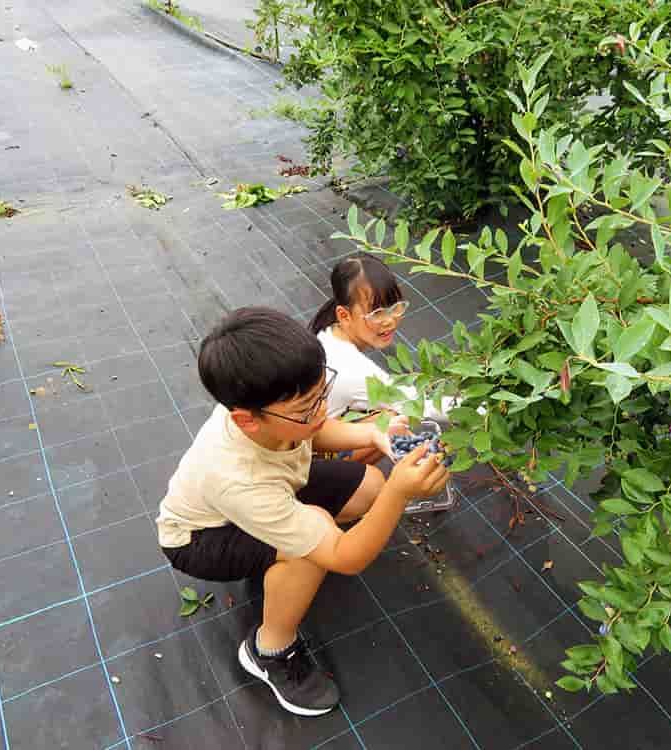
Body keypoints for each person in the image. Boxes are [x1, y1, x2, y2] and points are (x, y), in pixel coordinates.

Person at [156, 308, 449, 717]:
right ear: (247, 421)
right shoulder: (236, 477)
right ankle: (269, 651)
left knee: (368, 487)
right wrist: (400, 493)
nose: (320, 411)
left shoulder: (267, 407)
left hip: (273, 493)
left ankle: (285, 560)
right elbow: (346, 559)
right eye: (306, 408)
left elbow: (316, 428)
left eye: (320, 396)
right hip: (202, 538)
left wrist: (372, 433)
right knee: (313, 547)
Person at [309, 254, 457, 437]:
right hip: (310, 449)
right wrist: (482, 408)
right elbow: (417, 404)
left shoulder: (328, 330)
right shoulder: (353, 370)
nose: (389, 321)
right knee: (390, 418)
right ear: (344, 315)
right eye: (377, 312)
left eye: (394, 307)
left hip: (317, 426)